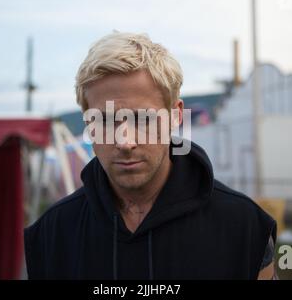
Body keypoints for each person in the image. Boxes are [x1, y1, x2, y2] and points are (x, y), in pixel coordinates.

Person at [24, 32, 277, 280]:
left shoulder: (244, 228)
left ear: (176, 115)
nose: (125, 142)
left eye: (142, 119)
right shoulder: (52, 234)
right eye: (105, 121)